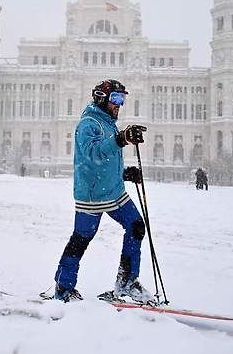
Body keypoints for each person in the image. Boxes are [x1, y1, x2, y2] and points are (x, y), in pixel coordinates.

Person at [53, 79, 153, 303]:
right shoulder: (88, 124)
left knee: (136, 226)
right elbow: (93, 154)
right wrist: (121, 139)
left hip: (113, 190)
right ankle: (63, 288)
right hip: (92, 195)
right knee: (81, 239)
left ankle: (127, 281)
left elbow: (106, 158)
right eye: (116, 99)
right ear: (101, 98)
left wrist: (125, 173)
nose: (119, 104)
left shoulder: (107, 122)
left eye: (122, 99)